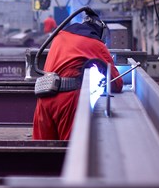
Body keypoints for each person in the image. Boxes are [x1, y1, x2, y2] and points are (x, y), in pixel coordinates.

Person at [32, 10, 123, 141]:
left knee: (42, 153)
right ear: (100, 33)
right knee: (70, 152)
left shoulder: (60, 36)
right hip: (67, 101)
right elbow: (117, 84)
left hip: (44, 97)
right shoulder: (96, 44)